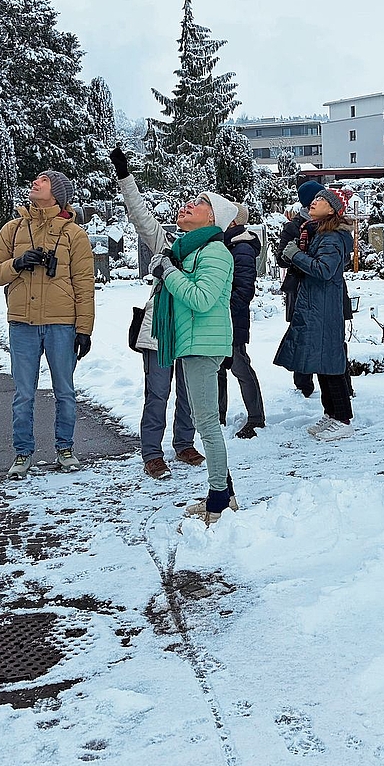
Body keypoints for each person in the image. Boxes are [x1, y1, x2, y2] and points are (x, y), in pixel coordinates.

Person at [0, 171, 95, 477]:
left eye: (44, 181)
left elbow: (84, 285)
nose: (35, 182)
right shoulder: (13, 229)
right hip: (22, 323)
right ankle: (23, 453)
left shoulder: (74, 235)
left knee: (64, 391)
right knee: (24, 393)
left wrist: (84, 329)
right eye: (35, 179)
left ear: (57, 193)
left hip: (61, 324)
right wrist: (18, 262)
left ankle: (65, 448)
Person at [109, 146, 203, 479]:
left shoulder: (211, 251)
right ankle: (152, 452)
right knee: (157, 394)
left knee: (189, 394)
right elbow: (140, 215)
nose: (185, 209)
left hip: (193, 329)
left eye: (194, 207)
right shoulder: (166, 244)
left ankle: (184, 443)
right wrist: (125, 176)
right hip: (161, 331)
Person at [148, 191, 238, 525]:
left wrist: (168, 272)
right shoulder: (191, 250)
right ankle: (225, 493)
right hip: (193, 342)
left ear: (213, 218)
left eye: (201, 203)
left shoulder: (215, 251)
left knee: (207, 425)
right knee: (205, 423)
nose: (189, 204)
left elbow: (201, 299)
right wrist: (170, 268)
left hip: (204, 344)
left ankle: (218, 502)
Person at [274, 187, 354, 442]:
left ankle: (343, 419)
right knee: (321, 361)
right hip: (316, 305)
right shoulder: (319, 232)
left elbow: (324, 270)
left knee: (330, 362)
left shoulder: (331, 237)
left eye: (321, 200)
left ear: (332, 210)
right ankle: (331, 414)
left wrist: (296, 255)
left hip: (324, 307)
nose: (314, 202)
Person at [218, 203, 266, 439]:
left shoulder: (242, 247)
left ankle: (256, 418)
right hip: (222, 316)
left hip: (232, 317)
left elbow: (245, 289)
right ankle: (217, 416)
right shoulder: (228, 243)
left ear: (233, 221)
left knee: (239, 365)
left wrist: (225, 309)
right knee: (218, 367)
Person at [277, 180, 324, 397]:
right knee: (302, 334)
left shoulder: (330, 224)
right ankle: (303, 384)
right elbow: (281, 258)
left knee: (333, 336)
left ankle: (341, 383)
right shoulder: (294, 227)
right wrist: (297, 252)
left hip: (325, 287)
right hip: (300, 286)